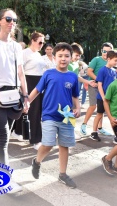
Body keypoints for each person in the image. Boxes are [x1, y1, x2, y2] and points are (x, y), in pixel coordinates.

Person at [0, 8, 29, 192]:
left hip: (14, 97)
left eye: (14, 20)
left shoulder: (16, 46)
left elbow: (21, 73)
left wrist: (26, 97)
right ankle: (6, 179)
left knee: (6, 137)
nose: (11, 22)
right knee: (3, 138)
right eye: (8, 19)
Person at [30, 42, 80, 188]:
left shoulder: (73, 76)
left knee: (65, 146)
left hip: (67, 116)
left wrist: (77, 108)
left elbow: (75, 95)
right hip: (49, 115)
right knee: (48, 143)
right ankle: (37, 161)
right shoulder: (48, 74)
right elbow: (37, 90)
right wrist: (27, 103)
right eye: (60, 56)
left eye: (66, 56)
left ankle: (62, 174)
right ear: (55, 57)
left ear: (71, 58)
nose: (63, 59)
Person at [14, 32, 46, 150]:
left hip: (39, 82)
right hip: (29, 82)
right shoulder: (24, 53)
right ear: (33, 40)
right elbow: (19, 72)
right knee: (34, 112)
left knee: (30, 110)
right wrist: (21, 87)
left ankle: (17, 131)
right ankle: (36, 140)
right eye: (40, 42)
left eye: (43, 42)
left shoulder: (38, 54)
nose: (42, 45)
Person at [79, 42, 113, 136]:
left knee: (101, 108)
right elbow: (89, 72)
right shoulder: (96, 59)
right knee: (93, 106)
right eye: (104, 51)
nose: (105, 53)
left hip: (103, 87)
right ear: (101, 51)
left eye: (108, 51)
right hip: (94, 85)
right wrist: (97, 81)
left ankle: (100, 128)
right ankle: (84, 124)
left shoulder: (110, 62)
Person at [90, 50, 117, 142]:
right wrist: (103, 97)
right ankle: (94, 132)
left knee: (113, 116)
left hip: (112, 98)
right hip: (102, 98)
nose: (116, 62)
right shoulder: (102, 70)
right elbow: (99, 85)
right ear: (108, 59)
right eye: (115, 60)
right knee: (99, 114)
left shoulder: (115, 71)